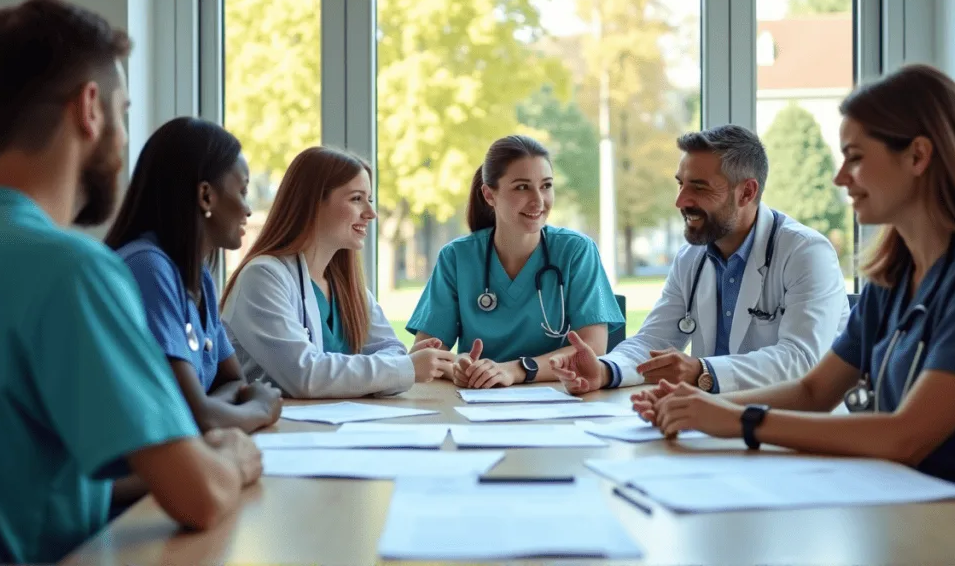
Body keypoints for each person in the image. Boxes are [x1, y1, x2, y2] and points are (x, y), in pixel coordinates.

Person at [633, 64, 955, 520]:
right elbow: (815, 391)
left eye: (854, 157)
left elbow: (904, 437)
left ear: (917, 156)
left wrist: (736, 419)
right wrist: (694, 406)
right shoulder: (892, 277)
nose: (840, 178)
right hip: (905, 507)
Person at [0, 0, 260, 564]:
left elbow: (36, 482)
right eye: (124, 111)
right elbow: (201, 497)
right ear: (91, 109)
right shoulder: (72, 272)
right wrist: (231, 457)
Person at [551, 125, 850, 395]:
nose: (681, 201)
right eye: (681, 184)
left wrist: (701, 371)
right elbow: (652, 341)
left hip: (795, 429)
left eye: (699, 187)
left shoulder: (806, 253)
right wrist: (605, 371)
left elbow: (801, 359)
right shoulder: (692, 257)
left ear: (746, 192)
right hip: (712, 421)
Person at [221, 146, 453, 398]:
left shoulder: (346, 286)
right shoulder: (262, 278)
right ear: (313, 203)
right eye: (356, 199)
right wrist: (406, 368)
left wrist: (400, 367)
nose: (371, 213)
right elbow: (305, 375)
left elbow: (391, 350)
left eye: (370, 200)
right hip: (278, 431)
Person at [106, 116, 283, 434]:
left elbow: (232, 382)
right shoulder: (148, 268)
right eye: (242, 191)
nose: (248, 209)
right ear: (206, 196)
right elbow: (196, 414)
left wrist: (212, 407)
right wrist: (259, 409)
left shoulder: (198, 277)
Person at [406, 135, 625, 389]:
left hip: (560, 401)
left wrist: (517, 370)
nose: (538, 200)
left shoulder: (576, 251)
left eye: (546, 186)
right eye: (522, 187)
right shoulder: (457, 258)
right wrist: (460, 368)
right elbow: (423, 354)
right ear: (489, 194)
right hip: (477, 404)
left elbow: (592, 349)